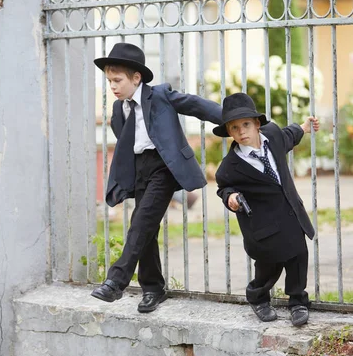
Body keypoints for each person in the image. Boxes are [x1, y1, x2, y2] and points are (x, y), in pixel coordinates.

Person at [91, 43, 222, 313]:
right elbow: (126, 140)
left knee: (141, 221)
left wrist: (235, 118)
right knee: (145, 227)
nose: (112, 86)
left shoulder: (160, 95)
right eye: (109, 81)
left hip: (163, 166)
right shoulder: (119, 108)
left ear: (136, 78)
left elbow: (196, 106)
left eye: (118, 80)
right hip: (140, 168)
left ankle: (116, 281)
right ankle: (153, 289)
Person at [213, 93, 319, 326]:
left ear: (257, 124)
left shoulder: (272, 136)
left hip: (290, 212)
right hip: (262, 224)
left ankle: (298, 301)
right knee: (269, 265)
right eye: (234, 128)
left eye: (246, 125)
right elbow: (224, 187)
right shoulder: (229, 167)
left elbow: (289, 136)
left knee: (298, 257)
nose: (242, 132)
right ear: (229, 132)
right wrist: (230, 197)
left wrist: (304, 127)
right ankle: (258, 297)